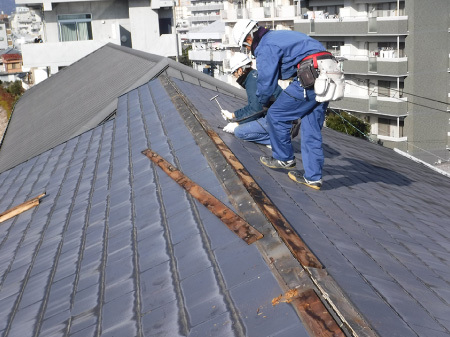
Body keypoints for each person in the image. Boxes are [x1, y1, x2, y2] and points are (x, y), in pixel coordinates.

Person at [232, 19, 343, 190]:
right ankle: (313, 178)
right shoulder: (279, 36)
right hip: (328, 75)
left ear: (248, 39)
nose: (249, 50)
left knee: (276, 115)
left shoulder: (265, 46)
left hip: (311, 76)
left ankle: (284, 159)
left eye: (246, 47)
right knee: (310, 127)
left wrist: (260, 104)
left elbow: (266, 83)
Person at [221, 52, 283, 147]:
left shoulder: (252, 81)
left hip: (277, 120)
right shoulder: (254, 76)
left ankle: (276, 141)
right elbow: (254, 106)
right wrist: (233, 115)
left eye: (234, 73)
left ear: (240, 70)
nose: (235, 76)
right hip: (278, 117)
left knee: (239, 132)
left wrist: (238, 124)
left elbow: (255, 110)